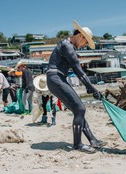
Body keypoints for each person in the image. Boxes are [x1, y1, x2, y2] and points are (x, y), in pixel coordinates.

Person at [46, 20, 106, 153]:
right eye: (85, 42)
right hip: (56, 78)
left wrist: (90, 88)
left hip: (56, 78)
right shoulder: (68, 46)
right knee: (80, 108)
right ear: (80, 36)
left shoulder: (67, 45)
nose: (84, 45)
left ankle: (92, 140)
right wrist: (92, 88)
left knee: (78, 109)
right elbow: (78, 70)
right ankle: (77, 144)